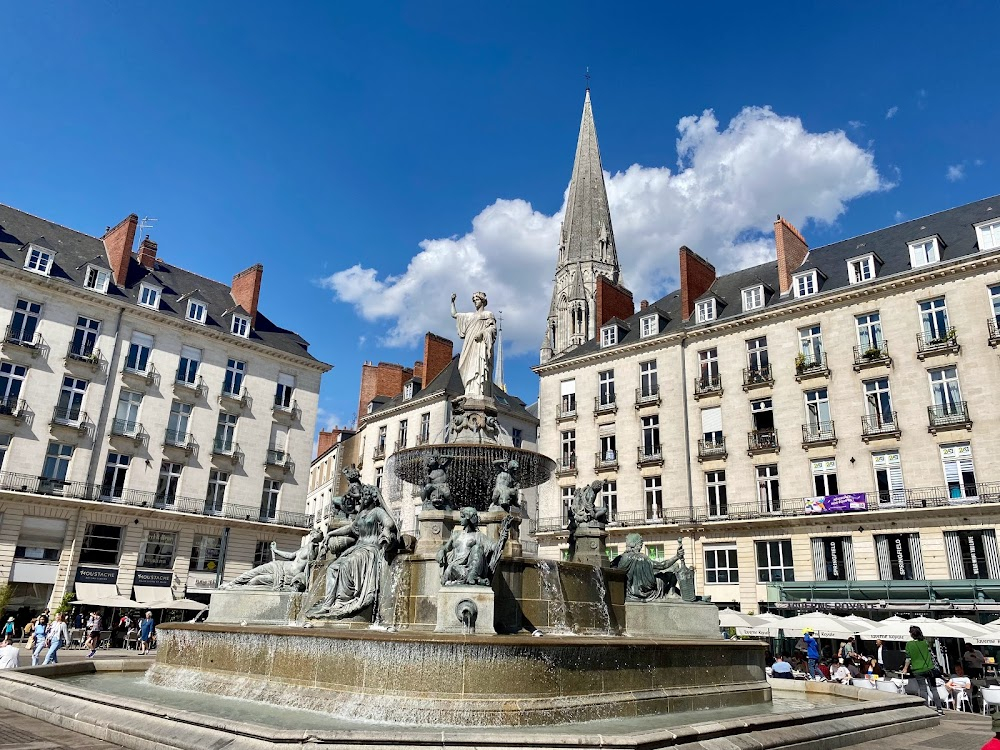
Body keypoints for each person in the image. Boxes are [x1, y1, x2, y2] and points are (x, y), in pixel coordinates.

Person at [450, 291, 496, 400]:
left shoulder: (488, 314)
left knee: (478, 366)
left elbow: (492, 329)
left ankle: (478, 390)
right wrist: (452, 302)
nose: (475, 302)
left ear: (483, 301)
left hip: (480, 345)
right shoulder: (470, 316)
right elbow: (454, 314)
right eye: (474, 300)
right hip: (469, 345)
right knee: (464, 365)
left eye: (477, 300)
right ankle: (469, 390)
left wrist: (482, 333)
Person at [903, 625, 943, 715]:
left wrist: (905, 668)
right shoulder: (925, 642)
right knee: (933, 689)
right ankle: (939, 708)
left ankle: (926, 709)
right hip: (929, 668)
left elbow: (908, 659)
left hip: (917, 670)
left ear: (912, 634)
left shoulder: (909, 644)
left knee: (923, 689)